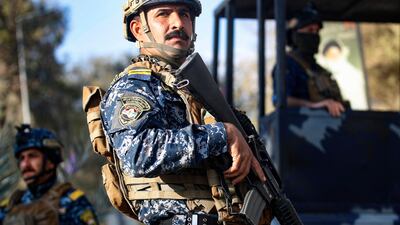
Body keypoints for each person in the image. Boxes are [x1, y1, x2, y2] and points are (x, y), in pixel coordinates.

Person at [100, 0, 269, 225]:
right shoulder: (134, 86)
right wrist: (223, 135)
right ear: (139, 29)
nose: (178, 23)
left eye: (184, 14)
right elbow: (138, 152)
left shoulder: (196, 90)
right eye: (163, 14)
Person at [0, 124, 99, 225]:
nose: (25, 164)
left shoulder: (71, 203)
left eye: (32, 156)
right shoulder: (8, 207)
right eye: (21, 158)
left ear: (50, 162)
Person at [272, 3, 347, 117]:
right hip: (300, 128)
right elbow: (280, 100)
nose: (315, 35)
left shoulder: (319, 68)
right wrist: (314, 105)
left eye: (317, 31)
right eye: (310, 30)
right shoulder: (287, 64)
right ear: (294, 35)